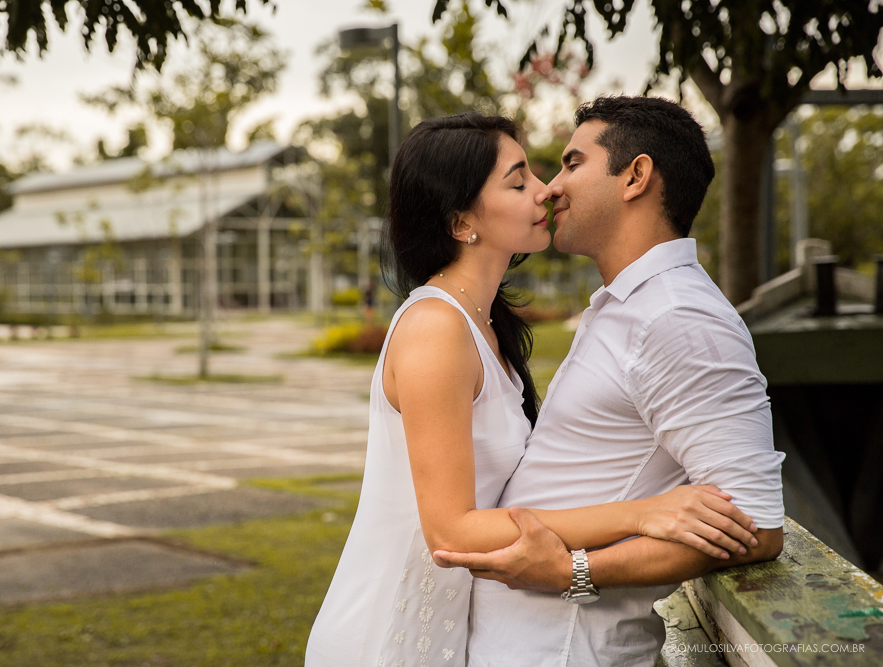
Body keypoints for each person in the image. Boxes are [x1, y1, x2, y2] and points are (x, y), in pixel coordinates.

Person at [305, 112, 760, 667]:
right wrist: (641, 514)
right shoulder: (435, 329)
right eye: (519, 182)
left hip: (453, 627)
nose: (546, 190)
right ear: (462, 222)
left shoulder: (486, 326)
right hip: (387, 630)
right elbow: (450, 529)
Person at [433, 96, 786, 666]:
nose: (551, 188)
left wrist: (573, 571)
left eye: (573, 163)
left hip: (565, 650)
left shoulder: (679, 318)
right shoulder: (626, 305)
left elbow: (758, 525)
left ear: (635, 177)